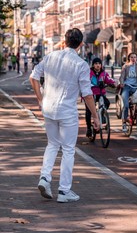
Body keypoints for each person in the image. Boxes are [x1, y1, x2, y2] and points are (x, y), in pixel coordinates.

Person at [29, 28, 100, 203]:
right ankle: (64, 191)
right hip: (67, 111)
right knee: (68, 149)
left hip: (48, 108)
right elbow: (87, 94)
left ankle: (45, 178)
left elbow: (33, 77)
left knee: (52, 144)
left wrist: (40, 99)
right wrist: (96, 116)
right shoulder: (81, 64)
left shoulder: (51, 56)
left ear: (64, 40)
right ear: (81, 44)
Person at [85, 57, 118, 138]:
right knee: (88, 111)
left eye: (99, 64)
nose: (98, 65)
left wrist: (113, 84)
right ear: (93, 65)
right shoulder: (88, 73)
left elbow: (109, 80)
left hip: (100, 93)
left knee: (107, 103)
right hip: (90, 94)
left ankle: (102, 115)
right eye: (96, 64)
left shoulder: (104, 73)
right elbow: (84, 82)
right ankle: (89, 128)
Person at [119, 52, 137, 132]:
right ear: (129, 58)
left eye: (135, 57)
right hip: (127, 87)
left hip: (136, 87)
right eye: (131, 57)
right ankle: (124, 122)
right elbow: (122, 77)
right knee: (125, 105)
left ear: (136, 58)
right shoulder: (125, 66)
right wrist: (122, 83)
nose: (133, 59)